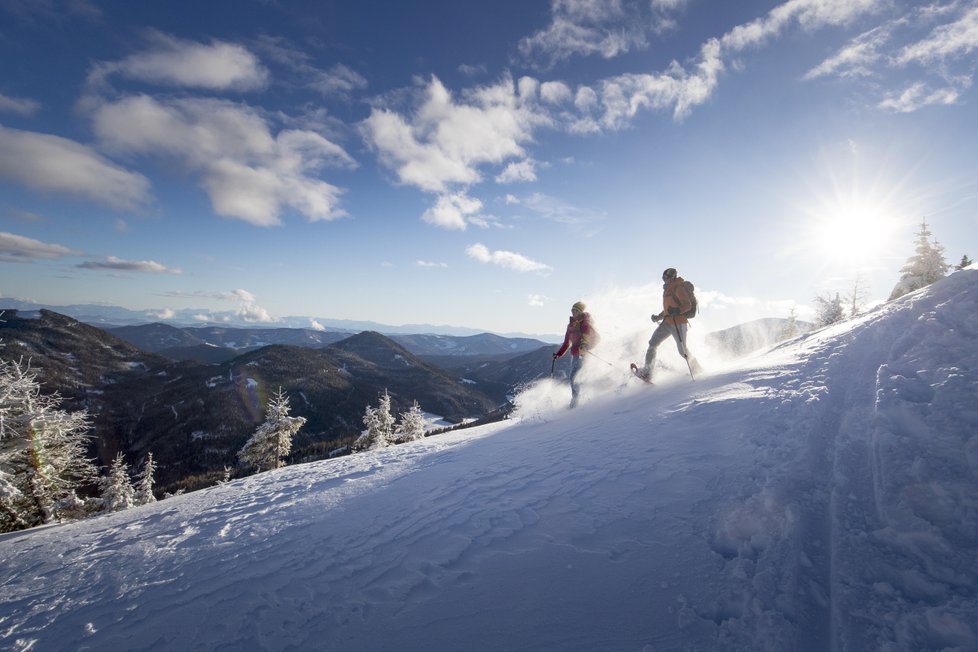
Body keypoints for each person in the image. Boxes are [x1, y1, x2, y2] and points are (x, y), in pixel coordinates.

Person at [636, 268, 701, 382]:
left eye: (666, 278)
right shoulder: (667, 291)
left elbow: (688, 305)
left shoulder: (679, 288)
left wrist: (677, 311)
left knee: (682, 351)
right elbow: (668, 309)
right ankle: (647, 372)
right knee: (653, 344)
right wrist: (658, 316)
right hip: (667, 322)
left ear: (672, 278)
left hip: (679, 323)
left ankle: (697, 370)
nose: (664, 280)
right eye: (663, 278)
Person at [553, 301, 598, 408]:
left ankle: (576, 402)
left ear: (581, 311)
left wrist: (585, 345)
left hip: (583, 354)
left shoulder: (585, 323)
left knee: (575, 377)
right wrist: (558, 354)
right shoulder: (571, 325)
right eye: (573, 310)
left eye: (576, 310)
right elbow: (566, 343)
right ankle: (579, 398)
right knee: (575, 376)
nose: (574, 312)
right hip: (575, 354)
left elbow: (590, 337)